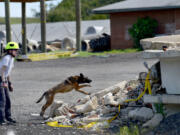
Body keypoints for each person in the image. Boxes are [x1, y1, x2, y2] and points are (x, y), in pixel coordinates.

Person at [0, 41, 19, 125]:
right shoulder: (7, 58)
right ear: (10, 51)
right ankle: (1, 119)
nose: (16, 51)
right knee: (2, 100)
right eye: (15, 50)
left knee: (7, 100)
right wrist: (3, 81)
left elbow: (8, 72)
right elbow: (2, 70)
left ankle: (8, 117)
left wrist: (9, 82)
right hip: (0, 78)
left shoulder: (12, 58)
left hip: (4, 79)